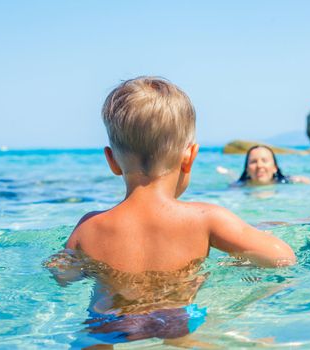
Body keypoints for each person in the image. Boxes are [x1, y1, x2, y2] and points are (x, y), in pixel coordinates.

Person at [46, 77, 296, 345]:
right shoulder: (205, 218)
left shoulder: (90, 226)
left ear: (112, 161)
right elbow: (282, 257)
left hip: (107, 321)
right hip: (176, 317)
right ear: (190, 156)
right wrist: (236, 261)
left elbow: (62, 276)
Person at [218, 145, 310, 186]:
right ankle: (229, 173)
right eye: (253, 161)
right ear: (247, 169)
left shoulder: (287, 181)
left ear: (275, 168)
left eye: (264, 160)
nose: (259, 165)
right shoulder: (238, 186)